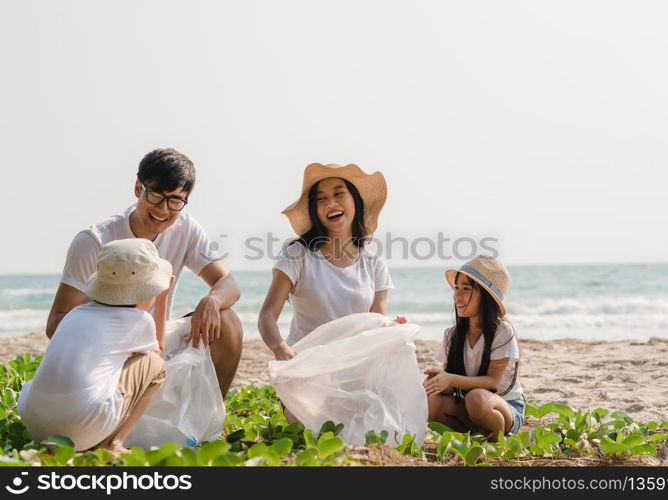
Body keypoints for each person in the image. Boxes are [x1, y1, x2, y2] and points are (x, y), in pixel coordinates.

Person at [45, 148, 243, 397]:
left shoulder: (186, 229)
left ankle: (210, 417)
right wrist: (112, 333)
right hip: (106, 348)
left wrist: (212, 300)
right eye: (155, 196)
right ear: (138, 188)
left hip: (156, 341)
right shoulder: (94, 240)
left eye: (175, 201)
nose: (163, 209)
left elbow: (229, 283)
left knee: (228, 321)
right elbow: (55, 324)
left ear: (185, 200)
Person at [19, 239, 172, 454]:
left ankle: (91, 437)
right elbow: (159, 352)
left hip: (36, 425)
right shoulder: (138, 321)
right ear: (147, 292)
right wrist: (163, 299)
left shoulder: (75, 314)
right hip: (79, 428)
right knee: (155, 364)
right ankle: (114, 443)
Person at [258, 162, 404, 363]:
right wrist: (280, 347)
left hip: (353, 363)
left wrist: (391, 326)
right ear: (314, 210)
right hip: (307, 363)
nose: (331, 203)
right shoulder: (297, 254)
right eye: (321, 199)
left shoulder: (374, 263)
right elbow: (266, 316)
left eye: (339, 194)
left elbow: (375, 326)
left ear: (356, 200)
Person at [424, 255, 526, 439]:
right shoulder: (452, 334)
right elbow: (451, 385)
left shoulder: (502, 331)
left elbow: (492, 383)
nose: (457, 296)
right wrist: (439, 381)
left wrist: (451, 379)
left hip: (505, 406)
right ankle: (477, 435)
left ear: (486, 296)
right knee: (432, 401)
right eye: (456, 288)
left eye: (466, 289)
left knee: (476, 398)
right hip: (472, 407)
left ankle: (496, 439)